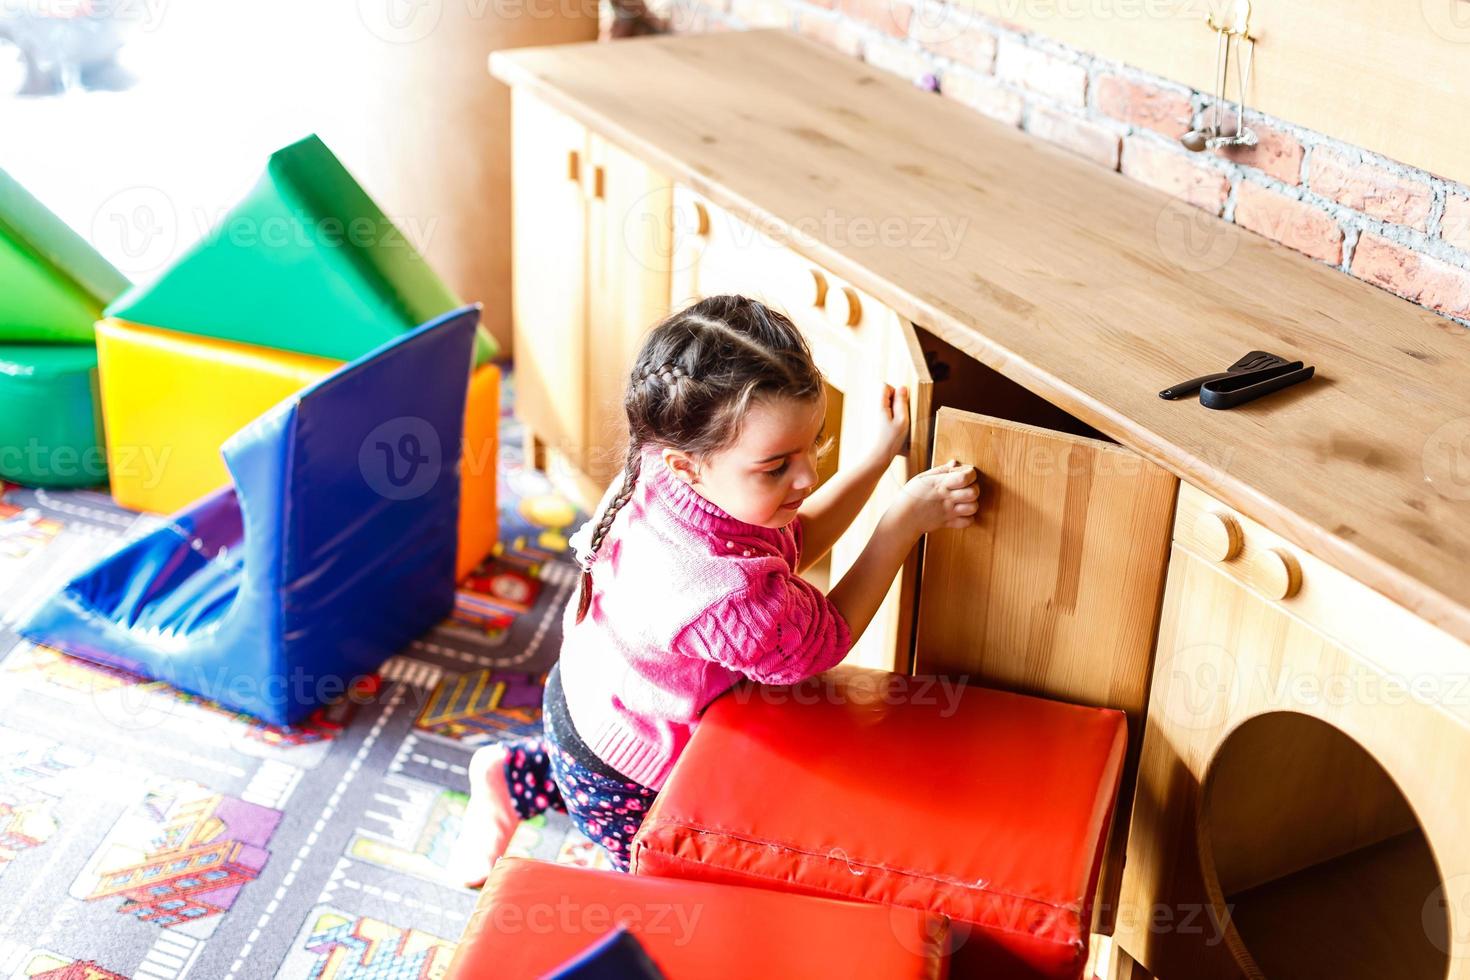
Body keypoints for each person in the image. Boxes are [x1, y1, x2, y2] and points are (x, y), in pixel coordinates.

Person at [452, 294, 980, 884]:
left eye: (813, 446)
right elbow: (825, 638)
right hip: (629, 777)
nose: (806, 475)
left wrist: (877, 459)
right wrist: (900, 524)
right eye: (777, 464)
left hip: (592, 697)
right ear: (689, 464)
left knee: (576, 762)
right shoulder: (717, 591)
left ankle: (509, 775)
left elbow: (791, 538)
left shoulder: (669, 467)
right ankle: (537, 797)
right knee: (674, 895)